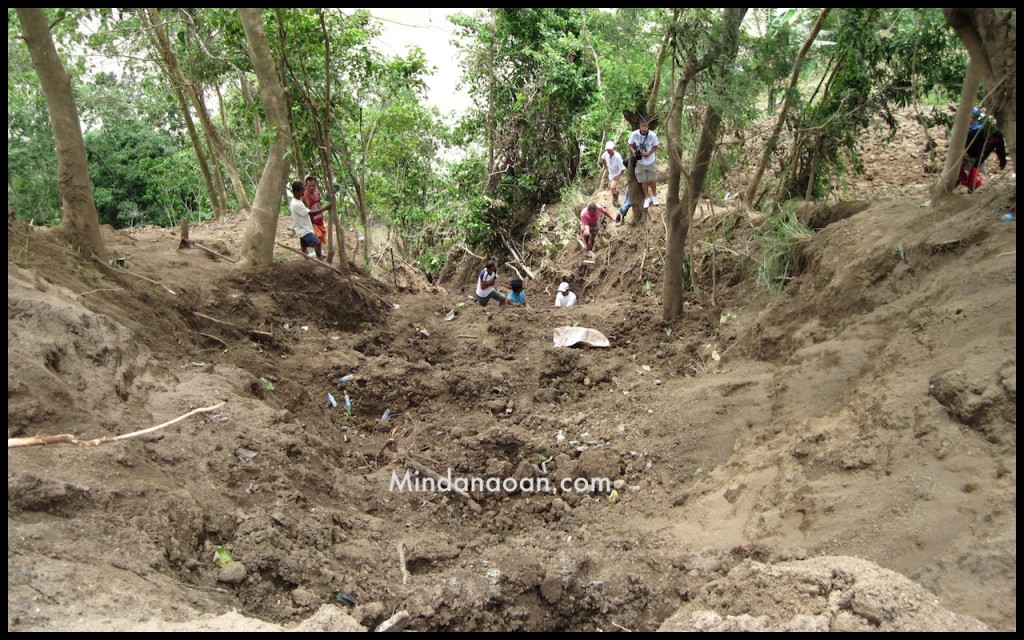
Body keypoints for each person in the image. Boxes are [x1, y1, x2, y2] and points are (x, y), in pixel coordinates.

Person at [289, 181, 333, 260]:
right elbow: (310, 213)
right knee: (317, 242)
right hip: (304, 230)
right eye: (302, 190)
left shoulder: (298, 201)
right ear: (296, 192)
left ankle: (308, 261)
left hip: (302, 228)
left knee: (304, 247)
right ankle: (320, 258)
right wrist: (325, 208)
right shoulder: (296, 204)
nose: (304, 192)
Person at [628, 120, 660, 209]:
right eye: (642, 126)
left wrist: (649, 153)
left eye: (645, 126)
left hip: (650, 160)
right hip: (640, 161)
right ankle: (647, 198)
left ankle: (654, 196)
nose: (644, 128)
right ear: (640, 126)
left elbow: (656, 146)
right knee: (643, 180)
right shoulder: (634, 134)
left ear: (648, 126)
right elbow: (630, 143)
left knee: (652, 179)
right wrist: (634, 151)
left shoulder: (652, 135)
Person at [301, 176, 328, 251]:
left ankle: (317, 252)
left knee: (321, 239)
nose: (312, 188)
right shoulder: (304, 197)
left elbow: (319, 204)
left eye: (313, 185)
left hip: (319, 220)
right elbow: (307, 212)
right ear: (306, 186)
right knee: (317, 240)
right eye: (309, 186)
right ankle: (319, 255)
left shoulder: (317, 192)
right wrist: (324, 209)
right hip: (312, 222)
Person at [601, 141, 626, 209]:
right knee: (613, 188)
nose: (608, 151)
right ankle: (616, 192)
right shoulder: (606, 153)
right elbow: (603, 158)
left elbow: (623, 168)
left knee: (612, 187)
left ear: (613, 149)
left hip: (617, 173)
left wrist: (619, 176)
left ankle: (615, 200)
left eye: (609, 150)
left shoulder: (617, 157)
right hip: (611, 172)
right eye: (607, 150)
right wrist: (605, 166)